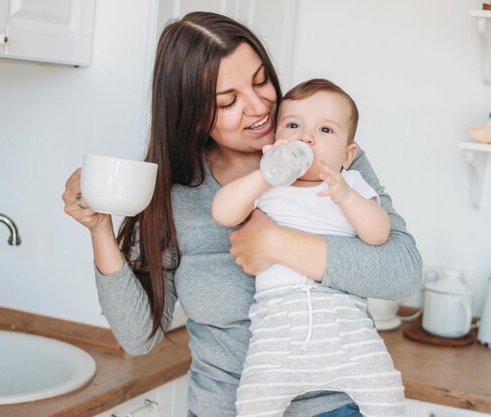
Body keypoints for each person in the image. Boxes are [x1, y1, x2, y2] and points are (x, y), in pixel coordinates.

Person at [61, 11, 422, 417]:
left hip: (333, 406)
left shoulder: (329, 155)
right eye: (228, 101)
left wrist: (276, 243)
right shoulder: (176, 193)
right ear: (193, 115)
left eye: (261, 80)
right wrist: (99, 230)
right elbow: (139, 336)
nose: (259, 108)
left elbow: (402, 271)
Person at [212, 78, 406, 417]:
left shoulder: (352, 185)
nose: (306, 137)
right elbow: (223, 212)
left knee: (387, 393)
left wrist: (345, 195)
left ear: (348, 155)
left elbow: (379, 234)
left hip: (347, 333)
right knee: (254, 402)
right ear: (274, 141)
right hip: (277, 333)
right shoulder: (268, 187)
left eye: (325, 130)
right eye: (293, 125)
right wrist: (266, 174)